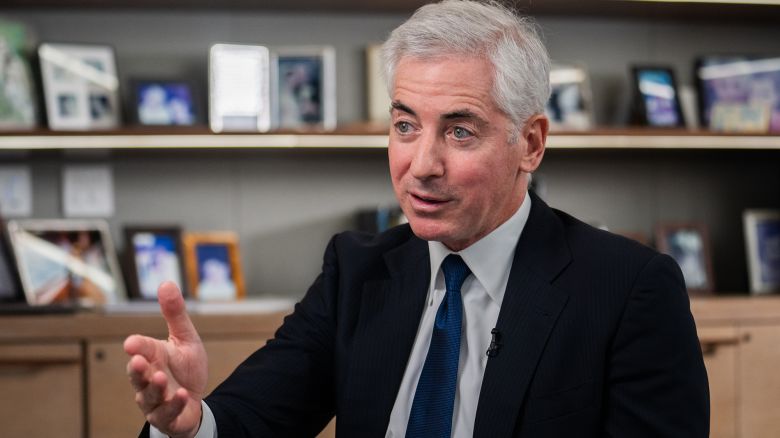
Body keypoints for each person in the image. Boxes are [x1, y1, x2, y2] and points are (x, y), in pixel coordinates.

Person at [124, 1, 709, 437]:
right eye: (405, 125)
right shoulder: (356, 272)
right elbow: (253, 421)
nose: (421, 166)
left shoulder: (629, 289)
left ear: (530, 144)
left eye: (460, 130)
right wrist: (191, 422)